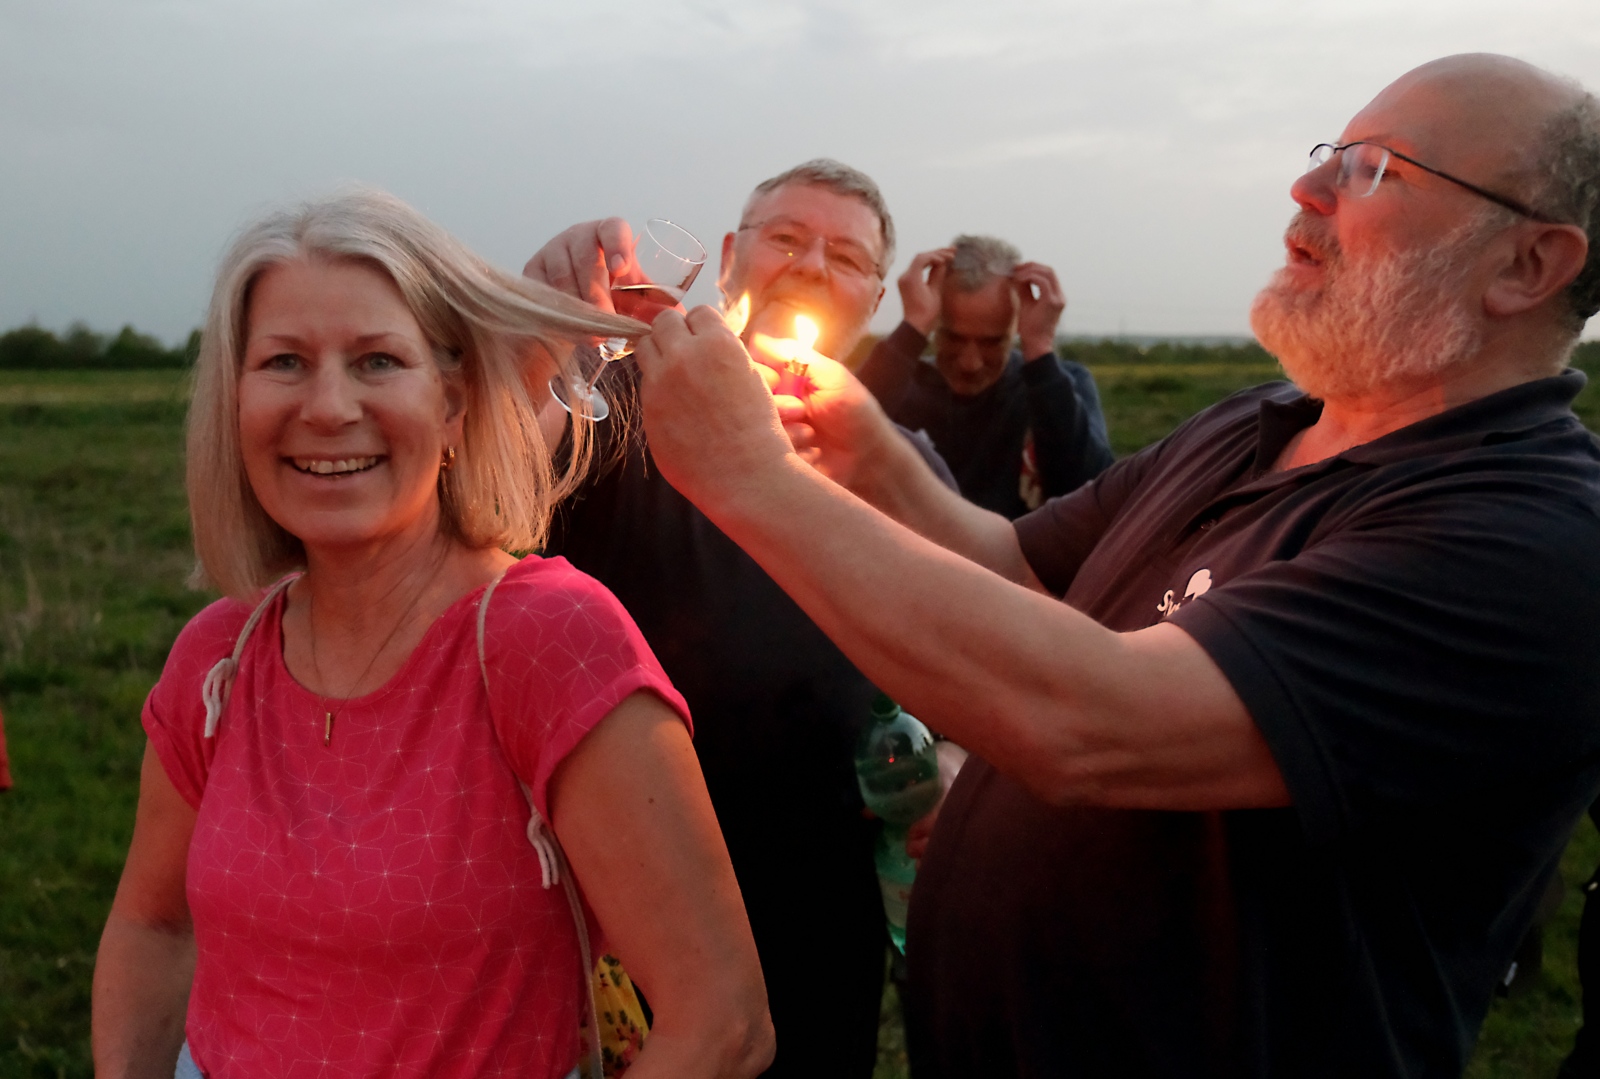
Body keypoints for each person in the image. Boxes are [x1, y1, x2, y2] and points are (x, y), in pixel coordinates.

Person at [622, 53, 1600, 1077]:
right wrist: (866, 448)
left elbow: (1089, 723)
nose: (1305, 190)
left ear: (1526, 264)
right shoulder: (1255, 424)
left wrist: (746, 475)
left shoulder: (1528, 543)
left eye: (1374, 169)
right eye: (1326, 157)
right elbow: (1018, 568)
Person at [90, 190, 773, 1079]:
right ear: (235, 400)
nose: (328, 406)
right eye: (285, 362)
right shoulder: (219, 657)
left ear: (453, 404)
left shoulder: (546, 640)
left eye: (377, 361)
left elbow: (721, 1018)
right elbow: (153, 921)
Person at [524, 159, 954, 1078]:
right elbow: (496, 506)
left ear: (876, 296)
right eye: (787, 238)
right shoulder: (625, 405)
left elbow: (970, 663)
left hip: (824, 890)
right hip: (615, 884)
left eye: (844, 255)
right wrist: (542, 343)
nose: (810, 265)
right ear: (729, 257)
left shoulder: (898, 465)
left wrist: (950, 766)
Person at [857, 235, 1113, 517]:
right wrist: (911, 329)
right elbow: (839, 438)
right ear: (934, 322)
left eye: (992, 343)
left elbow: (1091, 496)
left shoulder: (1059, 386)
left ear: (1016, 326)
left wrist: (1040, 352)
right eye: (953, 339)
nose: (971, 363)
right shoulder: (898, 383)